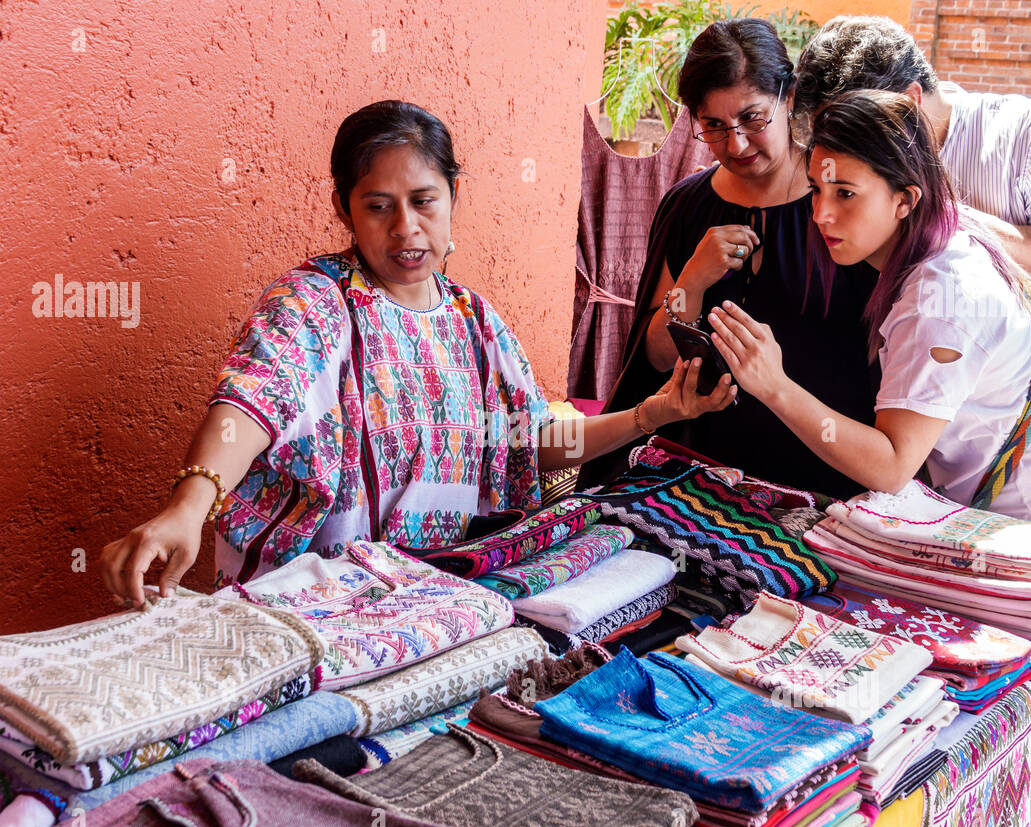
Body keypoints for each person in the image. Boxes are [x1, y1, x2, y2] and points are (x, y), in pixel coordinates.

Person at [99, 100, 734, 604]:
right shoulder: (314, 305)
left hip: (440, 605)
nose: (405, 228)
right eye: (378, 207)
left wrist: (650, 417)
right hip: (313, 613)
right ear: (344, 210)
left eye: (424, 201)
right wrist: (187, 508)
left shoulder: (474, 323)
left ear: (454, 195)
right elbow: (250, 402)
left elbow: (532, 441)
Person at [707, 90, 1031, 627]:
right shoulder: (942, 244)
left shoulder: (941, 297)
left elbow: (891, 466)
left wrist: (774, 385)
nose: (821, 213)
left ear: (905, 199)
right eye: (817, 189)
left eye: (846, 193)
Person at [578, 18, 879, 497]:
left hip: (824, 475)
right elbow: (654, 357)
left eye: (753, 118)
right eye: (713, 126)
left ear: (789, 96)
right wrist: (692, 282)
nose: (736, 144)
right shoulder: (686, 205)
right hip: (705, 473)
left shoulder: (843, 201)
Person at [793, 15, 1031, 405]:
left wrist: (941, 216)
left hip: (1020, 427)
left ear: (910, 101)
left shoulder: (1027, 134)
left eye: (855, 133)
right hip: (894, 404)